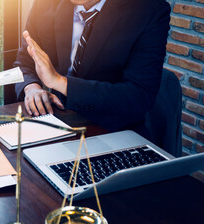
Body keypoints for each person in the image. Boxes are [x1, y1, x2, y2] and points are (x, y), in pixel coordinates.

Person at [14, 0, 170, 136]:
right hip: (57, 123)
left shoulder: (149, 10)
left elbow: (139, 97)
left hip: (114, 130)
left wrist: (60, 82)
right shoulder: (45, 4)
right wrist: (31, 88)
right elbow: (24, 63)